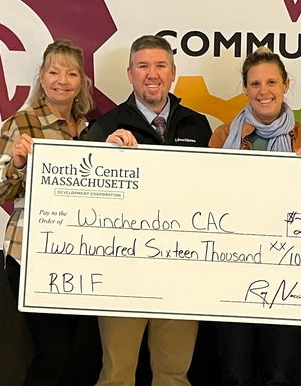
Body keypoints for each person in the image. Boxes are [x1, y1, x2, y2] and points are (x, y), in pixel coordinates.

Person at [84, 34, 212, 386]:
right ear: (129, 74)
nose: (151, 74)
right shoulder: (104, 127)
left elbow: (213, 193)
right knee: (117, 374)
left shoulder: (197, 125)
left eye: (160, 66)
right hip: (123, 269)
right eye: (143, 66)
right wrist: (103, 158)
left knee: (174, 374)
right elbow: (84, 195)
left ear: (173, 73)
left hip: (182, 268)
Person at [0, 39, 102, 385]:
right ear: (41, 76)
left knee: (80, 359)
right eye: (53, 71)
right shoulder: (22, 123)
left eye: (71, 73)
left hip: (80, 257)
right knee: (53, 355)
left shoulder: (89, 130)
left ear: (82, 82)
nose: (61, 80)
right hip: (31, 254)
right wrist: (17, 163)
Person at [208, 47, 301, 386]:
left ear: (286, 84)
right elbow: (208, 199)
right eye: (255, 83)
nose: (264, 90)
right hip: (233, 267)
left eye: (272, 81)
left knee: (281, 372)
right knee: (235, 372)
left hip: (286, 271)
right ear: (245, 89)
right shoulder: (221, 137)